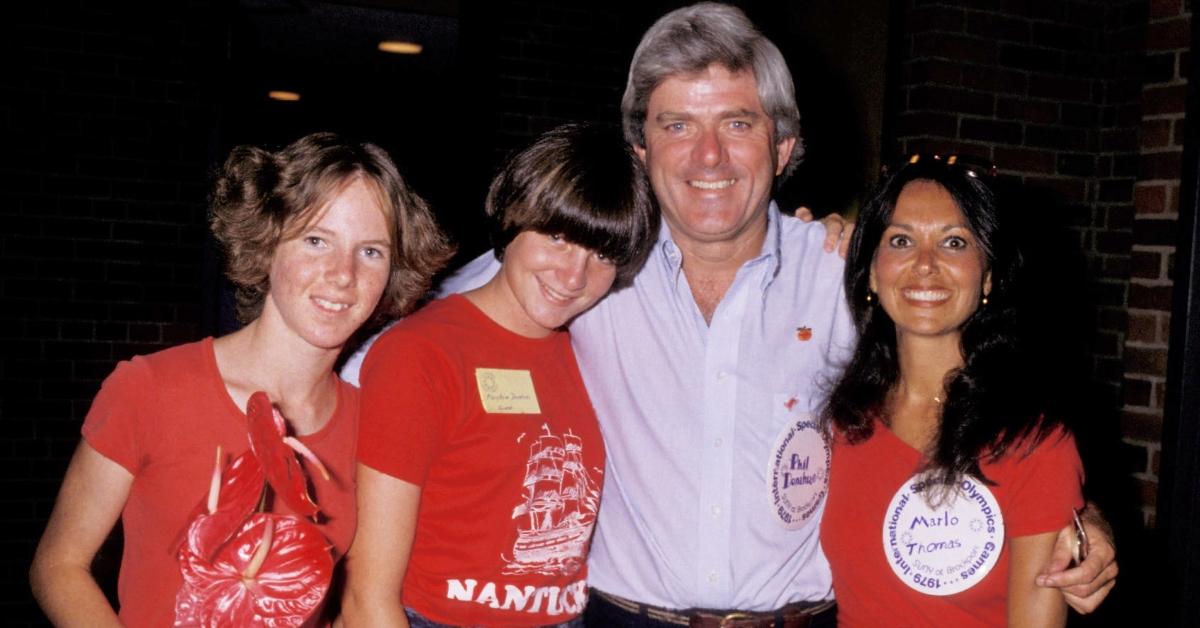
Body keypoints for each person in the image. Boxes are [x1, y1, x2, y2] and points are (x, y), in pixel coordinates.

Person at [342, 3, 1118, 625]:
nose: (706, 158)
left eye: (737, 124)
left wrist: (1076, 520)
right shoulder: (575, 267)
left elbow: (982, 394)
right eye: (676, 124)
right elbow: (380, 357)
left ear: (784, 147)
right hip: (619, 619)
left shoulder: (850, 275)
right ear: (639, 150)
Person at [29, 132, 453, 627]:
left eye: (372, 252)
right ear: (266, 242)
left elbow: (358, 603)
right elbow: (59, 566)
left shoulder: (375, 426)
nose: (343, 274)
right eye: (316, 240)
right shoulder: (151, 389)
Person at [340, 123, 658, 627]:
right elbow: (367, 597)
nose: (573, 276)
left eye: (601, 254)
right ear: (512, 221)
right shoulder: (421, 354)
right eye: (557, 237)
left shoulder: (592, 349)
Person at [820, 154, 1083, 626]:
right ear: (872, 273)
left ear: (986, 276)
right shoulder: (839, 423)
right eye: (901, 240)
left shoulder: (1032, 440)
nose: (925, 264)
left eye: (954, 242)